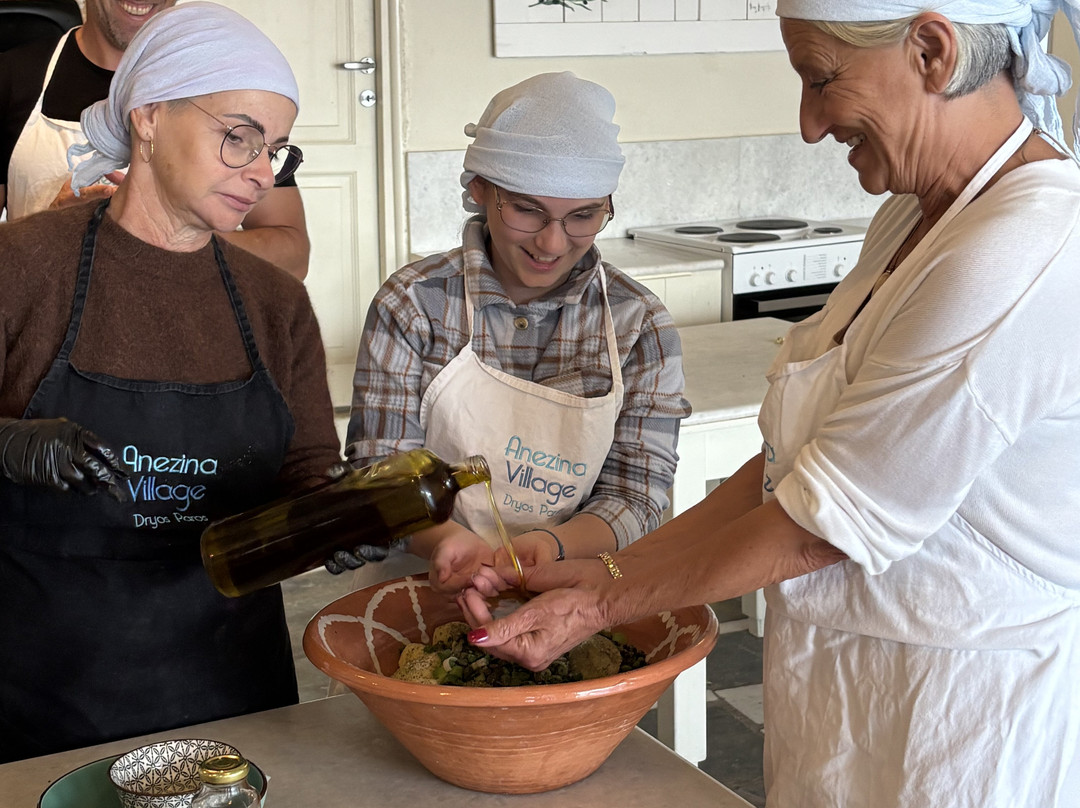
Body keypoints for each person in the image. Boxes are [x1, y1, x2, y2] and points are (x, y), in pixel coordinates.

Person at [461, 4, 1080, 806]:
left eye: (822, 79)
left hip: (963, 727)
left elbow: (821, 523)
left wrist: (600, 604)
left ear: (932, 49)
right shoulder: (912, 217)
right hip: (852, 694)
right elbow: (798, 470)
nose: (810, 123)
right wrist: (602, 567)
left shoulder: (1023, 252)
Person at [0, 2, 340, 763]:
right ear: (149, 117)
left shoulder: (275, 303)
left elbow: (309, 472)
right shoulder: (22, 266)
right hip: (39, 701)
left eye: (276, 149)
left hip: (229, 695)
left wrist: (337, 519)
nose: (261, 170)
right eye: (238, 136)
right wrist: (7, 446)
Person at [338, 72, 690, 593]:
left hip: (573, 591)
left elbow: (638, 495)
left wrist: (553, 546)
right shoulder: (414, 303)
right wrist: (445, 544)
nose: (552, 242)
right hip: (420, 587)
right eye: (528, 209)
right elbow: (381, 475)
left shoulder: (638, 323)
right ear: (480, 189)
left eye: (583, 216)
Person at [0, 0, 311, 280]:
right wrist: (54, 231)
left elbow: (294, 255)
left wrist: (170, 233)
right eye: (233, 138)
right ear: (146, 115)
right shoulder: (12, 77)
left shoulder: (227, 84)